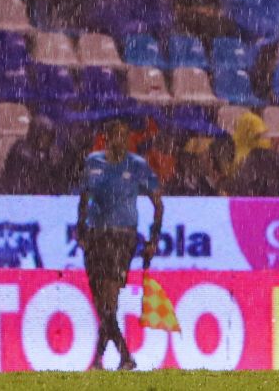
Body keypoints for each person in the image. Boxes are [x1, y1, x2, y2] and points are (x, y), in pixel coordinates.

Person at [76, 117, 163, 371]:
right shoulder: (93, 162)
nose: (121, 140)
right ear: (107, 137)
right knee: (100, 299)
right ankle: (102, 360)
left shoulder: (137, 166)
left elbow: (158, 203)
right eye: (116, 135)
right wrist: (81, 229)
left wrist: (153, 239)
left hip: (121, 237)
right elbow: (84, 198)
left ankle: (122, 356)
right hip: (95, 236)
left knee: (109, 298)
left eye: (125, 136)